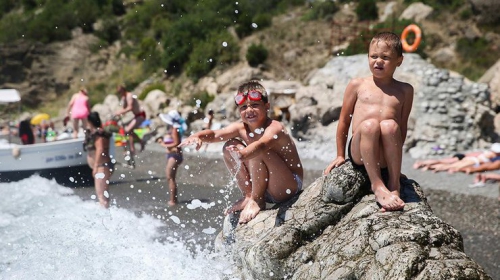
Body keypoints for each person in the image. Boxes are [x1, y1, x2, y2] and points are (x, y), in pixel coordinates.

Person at [178, 80, 304, 224]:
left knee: (257, 151)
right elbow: (215, 134)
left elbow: (261, 145)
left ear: (267, 106)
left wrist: (243, 154)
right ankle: (249, 195)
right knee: (228, 146)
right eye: (243, 107)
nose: (249, 110)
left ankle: (257, 200)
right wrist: (198, 136)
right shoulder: (240, 128)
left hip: (287, 186)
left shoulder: (275, 127)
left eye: (255, 105)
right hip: (265, 186)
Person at [323, 32, 414, 212]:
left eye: (385, 57)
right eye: (373, 56)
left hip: (384, 154)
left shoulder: (405, 90)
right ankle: (377, 184)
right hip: (360, 151)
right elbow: (343, 121)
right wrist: (340, 155)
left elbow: (401, 128)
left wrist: (394, 163)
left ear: (399, 60)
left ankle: (394, 183)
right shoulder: (357, 84)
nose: (378, 61)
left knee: (390, 125)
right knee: (370, 125)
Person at [84, 111, 114, 208]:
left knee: (101, 196)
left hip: (101, 166)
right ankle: (108, 214)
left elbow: (100, 149)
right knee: (104, 194)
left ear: (90, 121)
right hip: (104, 166)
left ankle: (105, 218)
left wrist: (95, 166)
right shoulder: (100, 132)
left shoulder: (98, 135)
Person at [158, 110, 184, 206]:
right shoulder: (173, 128)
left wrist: (163, 145)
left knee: (170, 177)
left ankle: (173, 200)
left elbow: (177, 143)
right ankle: (173, 199)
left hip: (174, 155)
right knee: (170, 177)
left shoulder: (174, 129)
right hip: (172, 155)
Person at [114, 85, 146, 157]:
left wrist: (120, 112)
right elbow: (124, 108)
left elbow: (130, 107)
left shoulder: (129, 96)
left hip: (141, 115)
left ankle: (132, 148)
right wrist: (118, 112)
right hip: (136, 115)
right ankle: (139, 143)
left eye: (120, 92)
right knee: (129, 131)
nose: (120, 94)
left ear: (123, 90)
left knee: (128, 130)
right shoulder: (124, 97)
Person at [427, 143, 500, 173]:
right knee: (453, 166)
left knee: (453, 164)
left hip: (470, 159)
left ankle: (432, 166)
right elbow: (488, 165)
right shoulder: (493, 156)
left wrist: (465, 155)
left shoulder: (486, 152)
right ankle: (436, 168)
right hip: (474, 161)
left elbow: (473, 154)